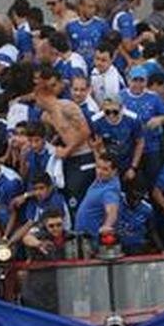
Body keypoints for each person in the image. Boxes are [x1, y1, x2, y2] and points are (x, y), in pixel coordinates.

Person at [34, 65, 95, 215]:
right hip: (67, 160)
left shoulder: (67, 107)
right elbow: (56, 135)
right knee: (68, 195)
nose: (36, 103)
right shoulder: (46, 116)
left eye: (38, 98)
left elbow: (85, 131)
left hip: (83, 156)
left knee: (78, 196)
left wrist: (68, 149)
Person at [121, 67, 164, 188]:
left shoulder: (154, 98)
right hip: (130, 148)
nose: (138, 84)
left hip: (152, 147)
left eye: (142, 80)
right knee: (131, 180)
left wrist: (160, 119)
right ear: (129, 80)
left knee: (154, 180)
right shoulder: (121, 97)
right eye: (135, 80)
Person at [90, 96, 145, 183]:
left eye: (115, 112)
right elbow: (96, 146)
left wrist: (133, 167)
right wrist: (101, 167)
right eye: (107, 112)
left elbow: (140, 143)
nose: (111, 115)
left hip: (127, 160)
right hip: (108, 163)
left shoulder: (133, 119)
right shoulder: (96, 121)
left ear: (121, 108)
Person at [75, 153, 121, 241]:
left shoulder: (110, 191)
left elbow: (112, 212)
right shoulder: (102, 179)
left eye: (105, 169)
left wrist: (107, 226)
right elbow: (102, 160)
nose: (99, 172)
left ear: (114, 171)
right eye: (98, 167)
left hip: (92, 240)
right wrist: (96, 149)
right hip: (83, 236)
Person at [66, 0, 109, 71]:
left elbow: (109, 46)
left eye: (94, 7)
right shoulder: (71, 26)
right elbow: (69, 47)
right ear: (81, 7)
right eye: (90, 7)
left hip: (96, 67)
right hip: (78, 67)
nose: (93, 10)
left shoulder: (102, 24)